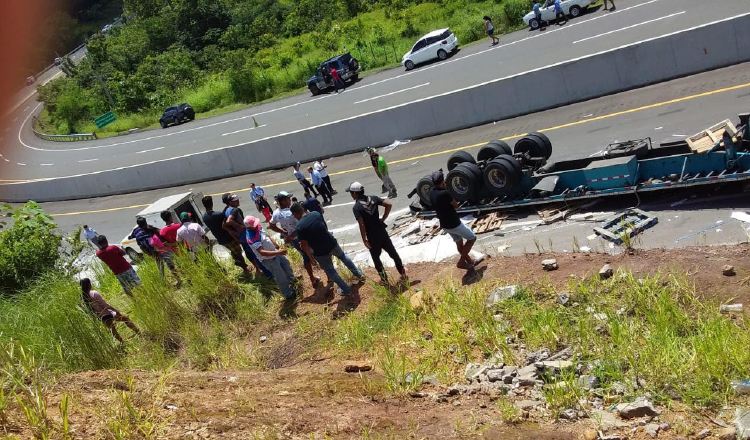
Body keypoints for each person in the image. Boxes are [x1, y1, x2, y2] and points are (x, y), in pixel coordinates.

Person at [292, 202, 364, 296]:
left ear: (296, 213)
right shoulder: (315, 214)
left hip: (320, 252)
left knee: (331, 271)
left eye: (293, 215)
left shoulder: (299, 227)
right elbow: (323, 226)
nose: (294, 217)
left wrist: (311, 258)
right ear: (302, 209)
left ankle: (346, 290)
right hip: (331, 242)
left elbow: (304, 245)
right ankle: (359, 275)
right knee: (344, 257)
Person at [348, 182, 407, 286]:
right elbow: (388, 204)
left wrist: (364, 239)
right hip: (382, 231)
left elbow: (362, 225)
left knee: (376, 259)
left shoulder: (356, 207)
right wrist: (383, 218)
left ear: (355, 193)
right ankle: (403, 273)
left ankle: (384, 280)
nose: (351, 195)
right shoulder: (373, 198)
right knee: (393, 253)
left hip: (372, 236)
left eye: (351, 193)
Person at [429, 170, 481, 271]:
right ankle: (461, 262)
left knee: (459, 243)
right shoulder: (445, 193)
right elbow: (456, 206)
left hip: (445, 225)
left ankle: (470, 262)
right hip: (454, 224)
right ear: (442, 181)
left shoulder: (432, 193)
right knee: (472, 238)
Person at [269, 191, 322, 288]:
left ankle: (312, 278)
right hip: (303, 237)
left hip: (294, 240)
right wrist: (290, 235)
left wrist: (285, 233)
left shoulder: (276, 213)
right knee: (316, 253)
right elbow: (301, 226)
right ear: (284, 201)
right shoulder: (291, 212)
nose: (289, 200)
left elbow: (271, 225)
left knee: (305, 257)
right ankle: (327, 275)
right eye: (288, 199)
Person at [221, 193, 274, 279]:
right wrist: (242, 227)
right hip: (245, 235)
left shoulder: (226, 210)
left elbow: (224, 226)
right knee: (257, 254)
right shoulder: (235, 210)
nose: (238, 201)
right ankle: (269, 274)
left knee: (251, 254)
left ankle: (265, 272)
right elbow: (228, 221)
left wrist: (234, 234)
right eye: (235, 201)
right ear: (230, 202)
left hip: (241, 237)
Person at [244, 215, 297, 300]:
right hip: (269, 260)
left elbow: (267, 236)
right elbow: (262, 252)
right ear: (249, 228)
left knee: (286, 265)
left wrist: (276, 246)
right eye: (254, 225)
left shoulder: (258, 227)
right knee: (280, 277)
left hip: (276, 253)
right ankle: (288, 294)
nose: (257, 225)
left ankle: (292, 280)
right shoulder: (251, 238)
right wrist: (278, 252)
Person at [202, 195, 252, 276]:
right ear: (212, 203)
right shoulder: (218, 214)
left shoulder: (204, 217)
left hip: (220, 240)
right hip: (229, 238)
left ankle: (240, 264)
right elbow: (225, 222)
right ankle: (245, 268)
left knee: (234, 252)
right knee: (238, 252)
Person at [80, 278, 140, 343]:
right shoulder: (94, 293)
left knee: (112, 330)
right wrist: (115, 310)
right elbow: (104, 305)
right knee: (126, 319)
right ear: (89, 284)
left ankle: (122, 342)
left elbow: (89, 311)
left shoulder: (82, 298)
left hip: (101, 317)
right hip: (108, 313)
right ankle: (139, 333)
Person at [157, 211, 181, 280]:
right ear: (171, 217)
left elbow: (165, 244)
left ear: (163, 219)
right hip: (184, 249)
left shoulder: (162, 231)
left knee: (180, 266)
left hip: (174, 252)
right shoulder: (178, 226)